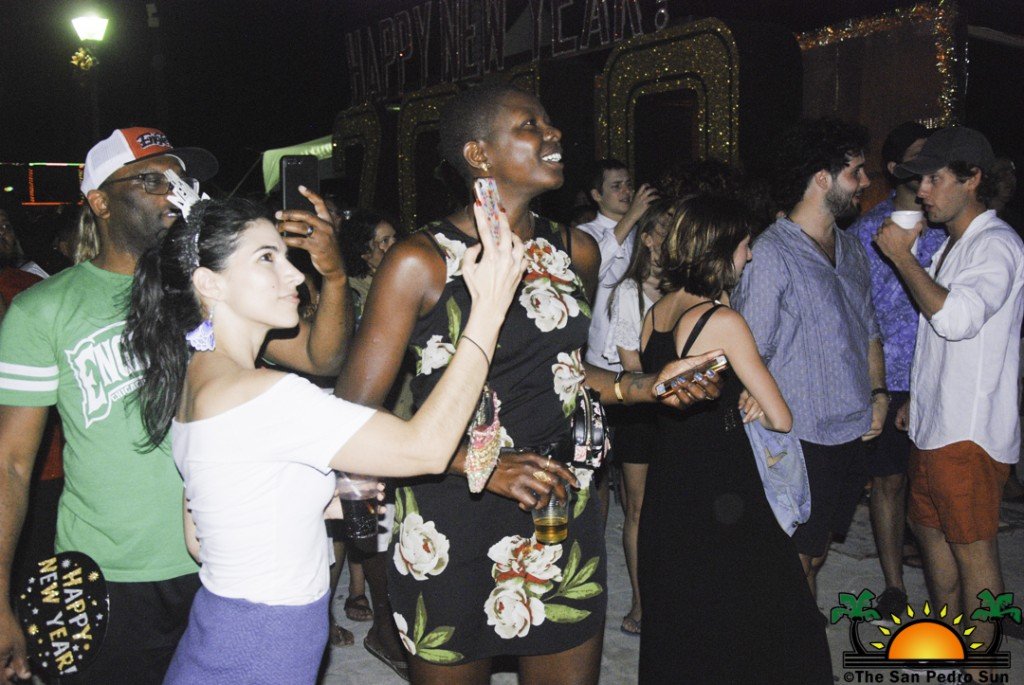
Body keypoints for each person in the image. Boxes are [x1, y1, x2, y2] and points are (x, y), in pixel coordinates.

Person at [335, 84, 721, 685]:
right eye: (529, 125)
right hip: (451, 514)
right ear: (479, 154)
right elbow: (348, 419)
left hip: (559, 503)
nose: (553, 133)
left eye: (550, 122)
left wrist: (647, 385)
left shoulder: (576, 250)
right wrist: (478, 465)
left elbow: (564, 372)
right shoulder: (421, 261)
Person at [119, 191, 524, 683]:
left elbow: (202, 538)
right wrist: (489, 308)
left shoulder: (198, 380)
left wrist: (306, 498)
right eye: (266, 258)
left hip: (224, 632)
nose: (294, 274)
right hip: (259, 651)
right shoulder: (264, 394)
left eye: (284, 255)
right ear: (210, 283)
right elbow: (427, 448)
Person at [0, 126, 351, 684]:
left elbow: (321, 357)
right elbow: (12, 465)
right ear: (100, 202)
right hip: (104, 574)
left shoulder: (209, 289)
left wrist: (332, 273)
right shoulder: (42, 310)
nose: (174, 193)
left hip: (223, 560)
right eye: (152, 181)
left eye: (180, 181)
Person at [637, 193, 831, 683]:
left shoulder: (655, 313)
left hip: (671, 482)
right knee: (771, 613)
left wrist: (741, 389)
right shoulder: (722, 322)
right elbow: (781, 418)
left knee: (687, 614)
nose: (751, 255)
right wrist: (754, 394)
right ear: (720, 250)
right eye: (745, 245)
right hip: (725, 488)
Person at [875, 126, 1024, 647]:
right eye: (919, 180)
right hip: (935, 425)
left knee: (974, 555)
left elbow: (957, 320)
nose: (922, 191)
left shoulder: (996, 245)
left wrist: (902, 257)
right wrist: (919, 399)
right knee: (934, 545)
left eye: (934, 179)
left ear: (972, 178)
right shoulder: (955, 246)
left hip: (968, 432)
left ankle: (981, 671)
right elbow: (941, 341)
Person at [731, 118, 887, 599]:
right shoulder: (771, 253)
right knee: (793, 560)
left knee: (816, 555)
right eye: (855, 171)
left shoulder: (851, 248)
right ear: (822, 177)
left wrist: (878, 393)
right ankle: (792, 640)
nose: (865, 182)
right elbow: (749, 348)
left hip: (852, 428)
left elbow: (869, 331)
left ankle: (796, 633)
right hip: (800, 435)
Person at [850, 122, 944, 618]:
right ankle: (893, 584)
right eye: (919, 155)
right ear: (894, 167)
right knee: (888, 481)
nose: (929, 164)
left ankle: (946, 582)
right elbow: (856, 313)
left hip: (939, 372)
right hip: (889, 376)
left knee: (934, 486)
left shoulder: (947, 226)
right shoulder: (867, 231)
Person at [603, 199, 672, 636]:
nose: (672, 238)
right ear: (646, 239)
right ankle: (642, 601)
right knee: (639, 510)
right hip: (641, 412)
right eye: (664, 230)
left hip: (680, 409)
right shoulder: (629, 292)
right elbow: (632, 367)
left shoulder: (683, 288)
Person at [337, 207, 398, 316]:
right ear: (365, 251)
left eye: (395, 238)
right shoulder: (352, 290)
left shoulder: (401, 275)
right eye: (385, 240)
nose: (394, 245)